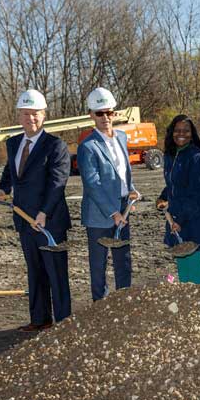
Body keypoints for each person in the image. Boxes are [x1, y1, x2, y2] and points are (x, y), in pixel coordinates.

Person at [0, 90, 71, 332]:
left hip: (50, 221)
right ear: (19, 116)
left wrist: (44, 212)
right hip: (24, 219)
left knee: (56, 273)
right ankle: (40, 319)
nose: (31, 119)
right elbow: (11, 171)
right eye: (26, 114)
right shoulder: (14, 142)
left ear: (44, 115)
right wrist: (2, 188)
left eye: (35, 114)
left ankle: (64, 323)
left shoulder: (55, 145)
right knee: (35, 271)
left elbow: (58, 183)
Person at [77, 87, 140, 302]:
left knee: (123, 259)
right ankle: (100, 307)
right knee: (99, 263)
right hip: (100, 213)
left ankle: (124, 301)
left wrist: (131, 189)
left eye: (109, 112)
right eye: (100, 113)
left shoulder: (121, 137)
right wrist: (113, 212)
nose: (105, 118)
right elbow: (92, 184)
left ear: (114, 113)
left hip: (123, 207)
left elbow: (123, 171)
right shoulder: (88, 146)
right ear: (91, 116)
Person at [157, 115, 200, 283]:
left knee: (194, 268)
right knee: (183, 266)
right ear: (171, 132)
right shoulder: (171, 155)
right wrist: (163, 197)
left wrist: (179, 219)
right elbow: (173, 184)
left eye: (186, 131)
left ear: (192, 133)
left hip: (194, 219)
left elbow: (198, 194)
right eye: (177, 130)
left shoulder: (197, 157)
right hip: (177, 218)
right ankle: (188, 305)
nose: (181, 134)